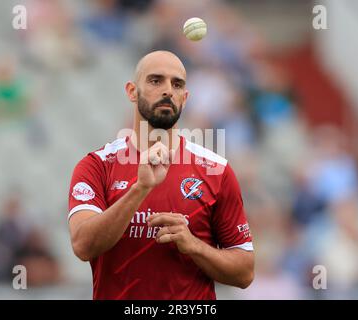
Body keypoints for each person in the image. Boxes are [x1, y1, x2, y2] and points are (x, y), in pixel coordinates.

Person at [68, 50, 254, 300]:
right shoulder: (96, 166)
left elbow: (244, 272)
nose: (168, 90)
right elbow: (83, 245)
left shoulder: (216, 171)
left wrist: (194, 246)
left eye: (176, 84)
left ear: (185, 98)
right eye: (156, 81)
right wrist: (140, 188)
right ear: (132, 91)